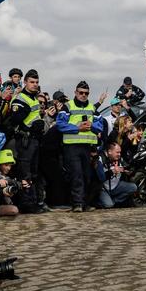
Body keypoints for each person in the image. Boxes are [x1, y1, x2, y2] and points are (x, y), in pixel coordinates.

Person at [6, 69, 47, 212]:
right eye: (32, 82)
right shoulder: (21, 99)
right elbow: (15, 120)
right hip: (25, 140)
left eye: (36, 82)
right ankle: (26, 204)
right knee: (25, 173)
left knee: (33, 172)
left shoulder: (33, 98)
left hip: (34, 139)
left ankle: (33, 201)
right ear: (25, 82)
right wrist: (30, 127)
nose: (35, 84)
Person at [56, 81, 100, 212]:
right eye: (81, 92)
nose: (83, 95)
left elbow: (100, 126)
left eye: (86, 93)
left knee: (87, 175)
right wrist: (77, 128)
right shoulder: (67, 106)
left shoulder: (92, 108)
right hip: (72, 147)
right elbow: (60, 124)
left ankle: (84, 203)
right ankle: (77, 204)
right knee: (76, 175)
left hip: (87, 147)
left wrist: (91, 126)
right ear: (75, 92)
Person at [96, 141, 137, 208]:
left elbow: (129, 167)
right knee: (108, 205)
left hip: (116, 186)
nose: (119, 154)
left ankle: (114, 201)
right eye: (117, 152)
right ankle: (99, 202)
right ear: (109, 152)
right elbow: (100, 178)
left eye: (120, 152)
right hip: (103, 189)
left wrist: (129, 171)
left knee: (133, 187)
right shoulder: (100, 159)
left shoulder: (119, 159)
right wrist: (113, 171)